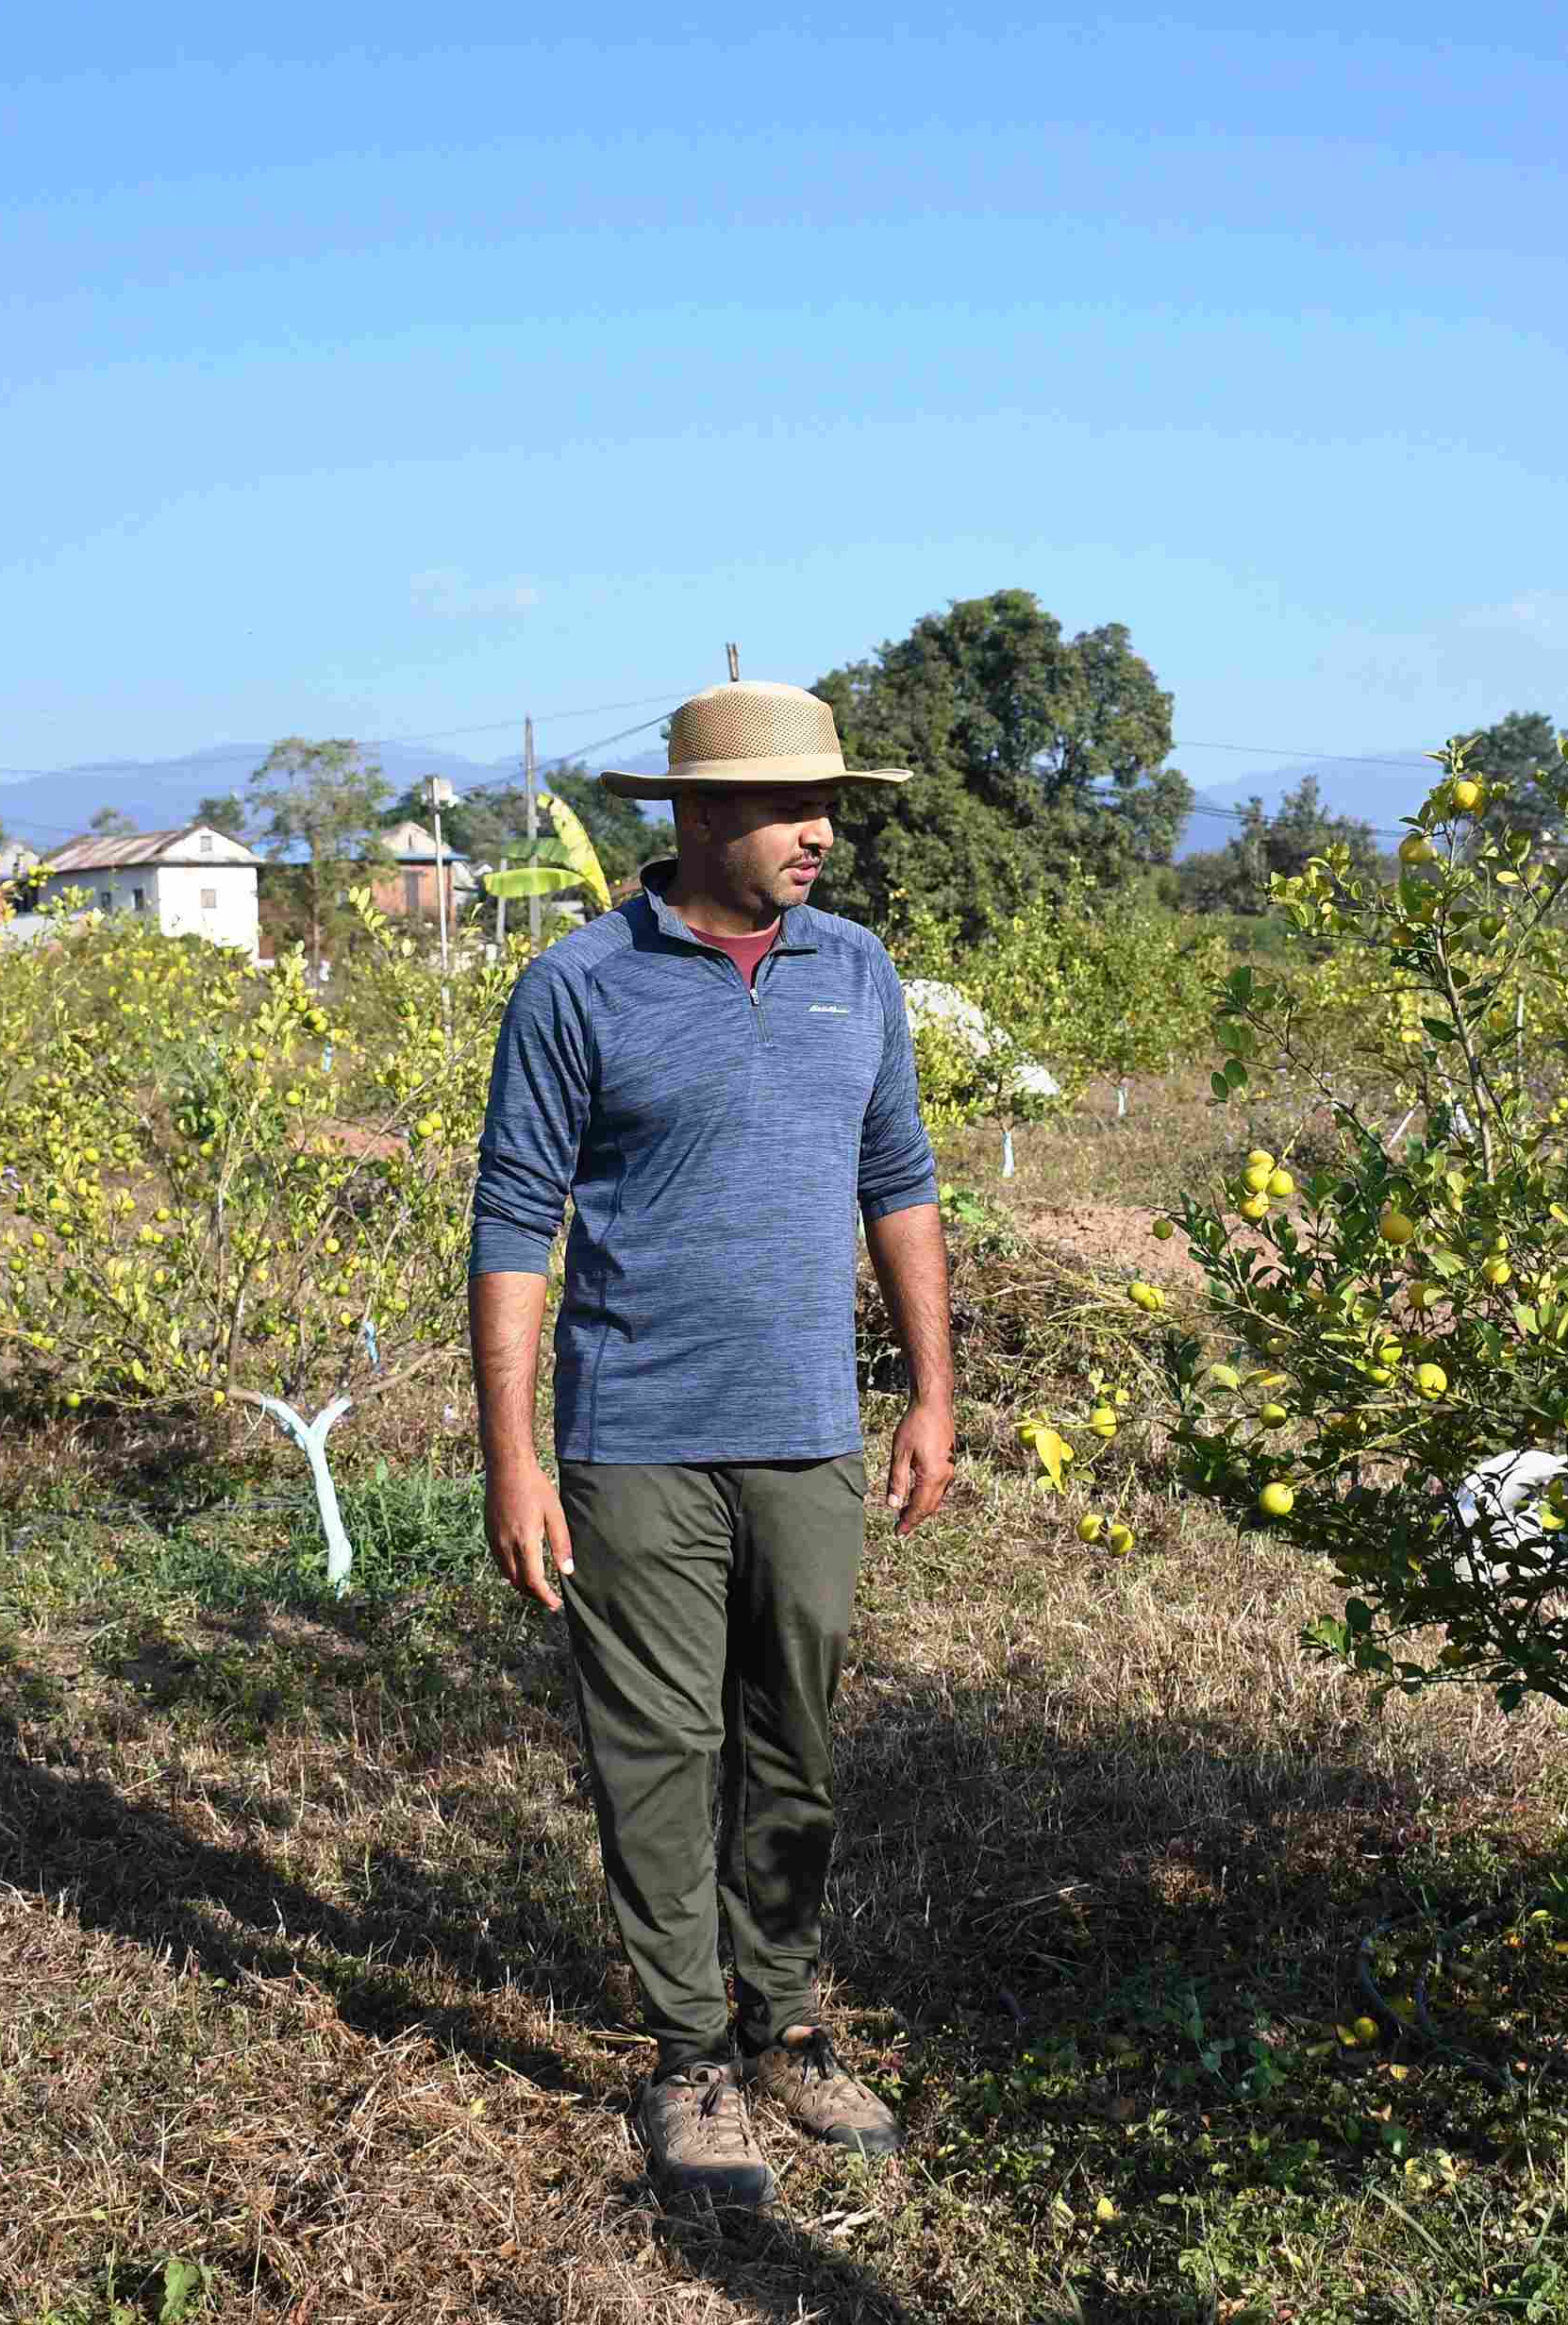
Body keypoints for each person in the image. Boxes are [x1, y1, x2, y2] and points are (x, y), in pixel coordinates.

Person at [468, 679, 958, 2213]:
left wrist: (932, 1392)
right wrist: (512, 1457)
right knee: (658, 1759)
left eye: (829, 805)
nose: (821, 832)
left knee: (794, 1741)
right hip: (639, 1443)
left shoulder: (856, 970)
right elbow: (511, 1227)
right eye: (789, 806)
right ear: (693, 815)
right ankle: (688, 2059)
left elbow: (902, 1185)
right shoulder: (579, 985)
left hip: (808, 1435)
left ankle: (789, 2020)